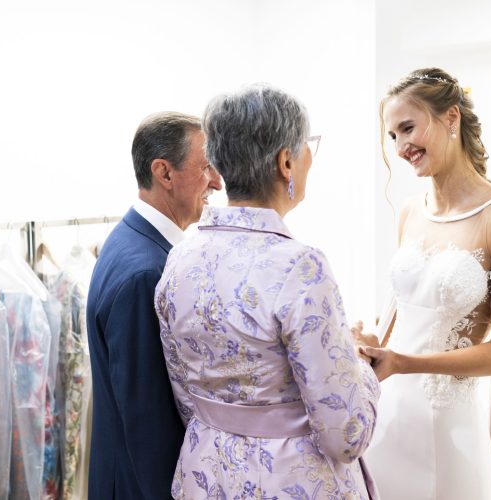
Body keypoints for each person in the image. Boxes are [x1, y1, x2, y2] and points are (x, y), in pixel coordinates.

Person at [154, 85, 381, 499]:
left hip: (204, 474)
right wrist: (360, 365)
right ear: (286, 161)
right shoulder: (300, 266)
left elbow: (188, 401)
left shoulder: (180, 257)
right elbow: (346, 434)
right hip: (287, 480)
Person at [360, 68, 491, 499]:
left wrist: (406, 363)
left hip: (448, 429)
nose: (402, 147)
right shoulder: (409, 211)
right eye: (392, 136)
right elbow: (399, 312)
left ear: (451, 119)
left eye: (408, 128)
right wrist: (368, 343)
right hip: (386, 418)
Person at [86, 112, 223, 499]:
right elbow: (148, 419)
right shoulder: (146, 272)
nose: (217, 180)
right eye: (207, 166)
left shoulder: (134, 243)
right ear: (164, 173)